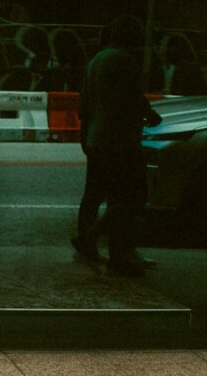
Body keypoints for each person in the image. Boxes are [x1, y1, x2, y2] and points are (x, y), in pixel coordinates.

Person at [72, 15, 162, 277]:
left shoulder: (97, 60)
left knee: (97, 194)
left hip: (98, 138)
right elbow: (132, 95)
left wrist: (85, 137)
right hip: (120, 140)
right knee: (132, 196)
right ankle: (95, 238)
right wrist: (150, 114)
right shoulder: (124, 60)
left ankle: (105, 245)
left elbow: (85, 102)